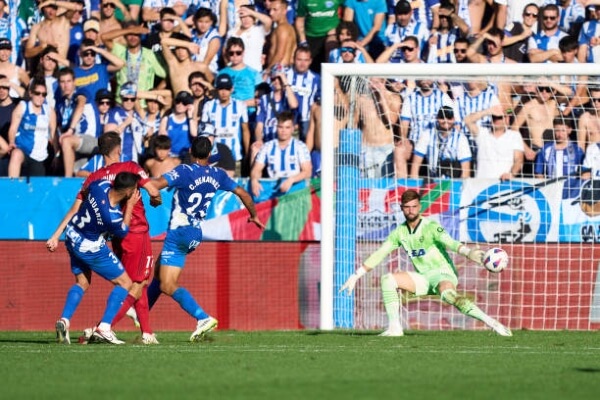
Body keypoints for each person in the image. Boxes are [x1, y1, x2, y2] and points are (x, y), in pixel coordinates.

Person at [340, 189, 512, 337]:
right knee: (388, 280)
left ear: (419, 207)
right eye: (407, 207)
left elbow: (449, 241)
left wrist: (468, 253)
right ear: (402, 208)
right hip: (424, 278)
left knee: (448, 295)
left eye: (414, 206)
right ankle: (395, 328)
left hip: (443, 273)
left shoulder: (430, 226)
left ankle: (491, 323)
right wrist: (356, 275)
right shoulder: (399, 233)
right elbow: (380, 253)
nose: (411, 210)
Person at [47, 133, 163, 345]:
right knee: (134, 283)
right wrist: (156, 199)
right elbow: (153, 191)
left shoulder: (94, 179)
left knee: (88, 281)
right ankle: (102, 326)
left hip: (101, 237)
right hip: (134, 233)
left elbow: (76, 207)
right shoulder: (130, 167)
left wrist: (55, 235)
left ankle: (146, 332)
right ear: (119, 150)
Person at [147, 136, 265, 342]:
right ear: (210, 155)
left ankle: (202, 317)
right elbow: (243, 193)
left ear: (191, 151)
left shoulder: (184, 171)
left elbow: (157, 183)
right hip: (195, 233)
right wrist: (254, 215)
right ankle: (141, 315)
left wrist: (142, 183)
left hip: (179, 232)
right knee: (159, 273)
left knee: (167, 284)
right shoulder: (218, 174)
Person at [48, 171, 141, 345]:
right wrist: (130, 205)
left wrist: (56, 235)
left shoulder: (99, 186)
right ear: (128, 192)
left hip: (72, 235)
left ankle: (65, 321)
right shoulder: (112, 216)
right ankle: (104, 327)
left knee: (82, 283)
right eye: (134, 190)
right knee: (125, 283)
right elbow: (123, 230)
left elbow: (87, 188)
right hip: (89, 247)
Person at [250, 111, 312, 197]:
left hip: (294, 189)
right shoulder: (267, 147)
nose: (283, 131)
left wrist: (291, 180)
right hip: (274, 189)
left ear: (293, 128)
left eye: (287, 127)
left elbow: (307, 171)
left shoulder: (300, 146)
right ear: (276, 127)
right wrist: (254, 180)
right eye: (280, 127)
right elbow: (256, 169)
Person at [7, 79, 57, 177]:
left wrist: (56, 155)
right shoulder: (22, 107)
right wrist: (11, 141)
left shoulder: (49, 111)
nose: (40, 97)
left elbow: (53, 135)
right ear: (31, 93)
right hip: (23, 149)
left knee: (37, 186)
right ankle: (12, 188)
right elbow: (13, 128)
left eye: (44, 94)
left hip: (40, 156)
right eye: (37, 93)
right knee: (16, 154)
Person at [410, 106, 472, 179]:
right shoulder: (427, 134)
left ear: (454, 119)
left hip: (454, 183)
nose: (445, 120)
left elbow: (466, 171)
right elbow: (415, 165)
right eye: (442, 117)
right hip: (432, 181)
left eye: (449, 118)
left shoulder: (461, 139)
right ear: (437, 118)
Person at [464, 107, 525, 179]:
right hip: (481, 183)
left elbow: (519, 160)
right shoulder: (483, 133)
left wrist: (511, 174)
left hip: (503, 183)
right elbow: (467, 120)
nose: (496, 120)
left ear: (507, 119)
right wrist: (488, 111)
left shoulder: (514, 136)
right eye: (494, 117)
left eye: (499, 117)